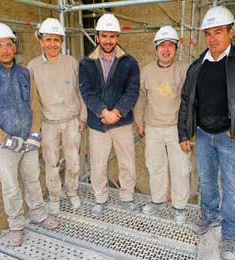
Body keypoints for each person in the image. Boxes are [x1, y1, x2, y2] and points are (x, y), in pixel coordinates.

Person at [177, 6, 235, 260]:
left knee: (232, 188)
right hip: (204, 136)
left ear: (231, 32)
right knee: (207, 182)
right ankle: (209, 216)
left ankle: (229, 234)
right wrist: (184, 134)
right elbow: (186, 101)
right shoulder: (198, 65)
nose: (212, 38)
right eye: (208, 33)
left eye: (218, 31)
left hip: (231, 138)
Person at [0, 22, 58, 247]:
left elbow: (34, 105)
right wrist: (4, 139)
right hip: (4, 145)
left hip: (26, 140)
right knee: (10, 186)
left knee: (32, 180)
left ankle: (38, 214)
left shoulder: (24, 73)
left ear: (14, 46)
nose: (5, 50)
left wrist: (35, 133)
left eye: (9, 45)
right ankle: (16, 225)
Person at [79, 13, 140, 216]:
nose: (108, 40)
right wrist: (103, 112)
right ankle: (100, 198)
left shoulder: (129, 62)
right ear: (97, 37)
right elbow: (86, 91)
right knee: (98, 164)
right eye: (104, 36)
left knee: (127, 162)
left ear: (117, 38)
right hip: (98, 123)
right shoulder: (87, 63)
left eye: (112, 36)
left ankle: (127, 196)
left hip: (122, 123)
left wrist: (117, 112)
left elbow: (132, 91)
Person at [27, 18, 87, 215]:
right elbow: (32, 98)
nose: (53, 44)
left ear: (62, 42)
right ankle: (54, 196)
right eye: (49, 39)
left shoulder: (71, 62)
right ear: (41, 41)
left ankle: (72, 192)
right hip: (48, 124)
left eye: (57, 40)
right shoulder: (33, 66)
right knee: (51, 163)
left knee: (73, 161)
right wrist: (36, 127)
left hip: (71, 121)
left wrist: (83, 117)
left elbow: (81, 90)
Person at [134, 26, 190, 224]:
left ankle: (179, 207)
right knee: (155, 166)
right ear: (156, 48)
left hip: (177, 129)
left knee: (180, 168)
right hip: (153, 128)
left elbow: (190, 101)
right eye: (162, 46)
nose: (166, 50)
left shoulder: (183, 70)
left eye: (170, 46)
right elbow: (141, 98)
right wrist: (139, 121)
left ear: (175, 48)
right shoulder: (147, 71)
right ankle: (157, 201)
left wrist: (188, 130)